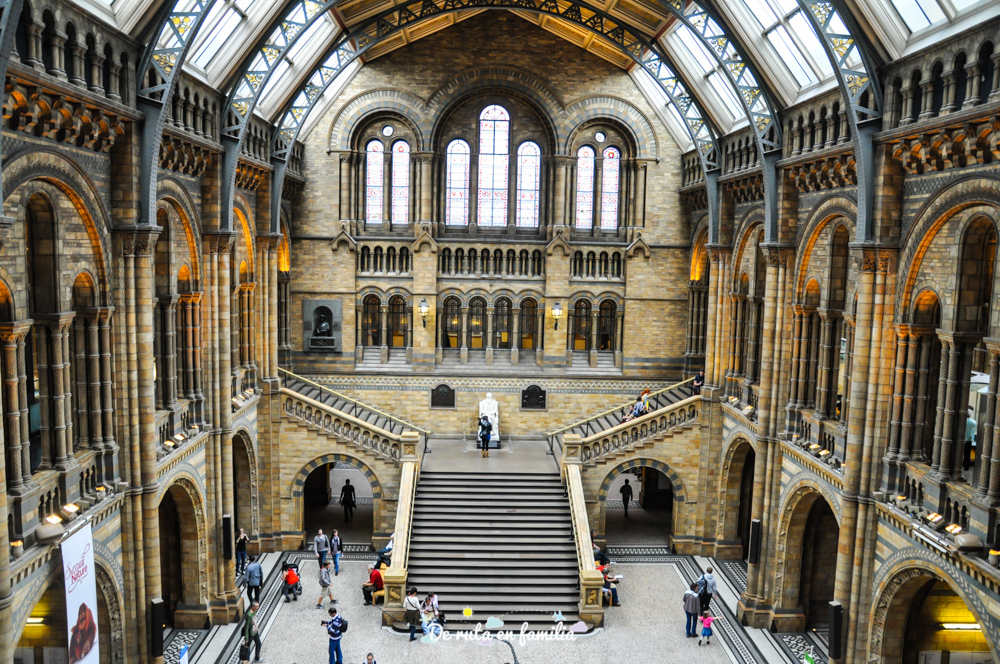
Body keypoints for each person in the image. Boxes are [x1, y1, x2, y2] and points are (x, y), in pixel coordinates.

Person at [965, 406, 977, 471]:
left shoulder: (963, 421)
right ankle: (966, 466)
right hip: (969, 440)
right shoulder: (973, 422)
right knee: (967, 453)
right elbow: (973, 431)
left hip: (962, 439)